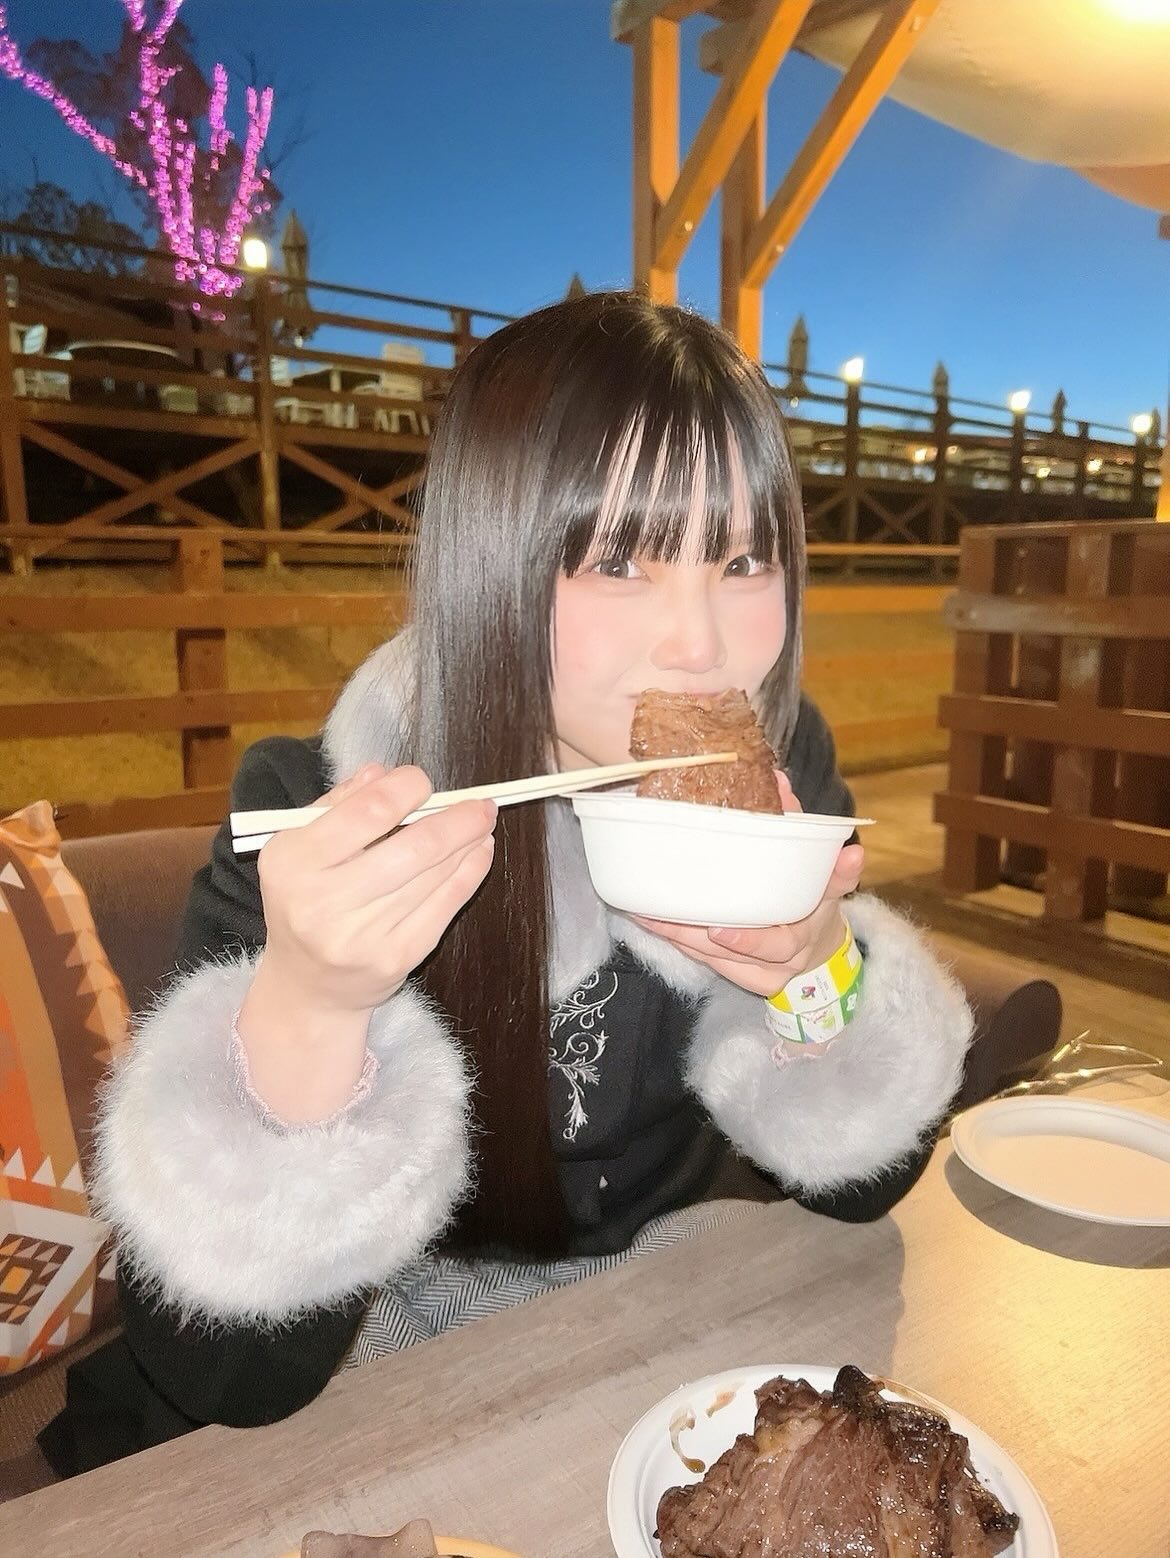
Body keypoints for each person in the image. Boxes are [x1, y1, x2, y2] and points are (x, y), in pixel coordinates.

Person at [41, 292, 972, 1475]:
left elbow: (867, 1187)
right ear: (492, 567)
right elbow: (223, 1376)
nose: (703, 645)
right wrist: (313, 1006)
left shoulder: (777, 778)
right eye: (619, 560)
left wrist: (816, 966)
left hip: (660, 1332)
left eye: (743, 558)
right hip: (402, 1361)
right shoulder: (320, 815)